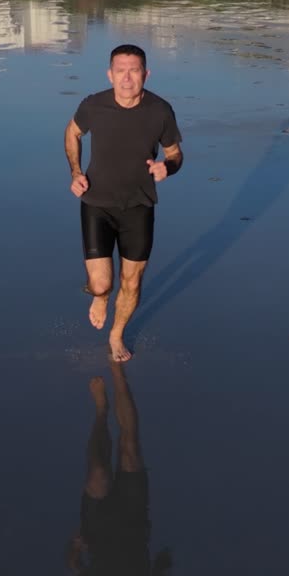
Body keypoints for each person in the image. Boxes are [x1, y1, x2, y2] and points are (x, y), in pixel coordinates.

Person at [64, 44, 184, 362]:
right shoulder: (93, 105)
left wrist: (168, 168)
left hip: (139, 206)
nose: (127, 78)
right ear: (110, 74)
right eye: (120, 70)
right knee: (101, 283)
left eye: (134, 70)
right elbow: (72, 132)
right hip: (97, 203)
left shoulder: (160, 111)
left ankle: (116, 334)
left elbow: (174, 153)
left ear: (146, 74)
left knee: (131, 282)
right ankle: (101, 296)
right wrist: (75, 171)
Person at [66, 364, 173, 576]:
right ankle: (118, 375)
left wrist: (75, 547)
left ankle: (101, 412)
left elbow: (73, 566)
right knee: (130, 447)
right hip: (133, 521)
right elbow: (165, 562)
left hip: (98, 528)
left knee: (99, 471)